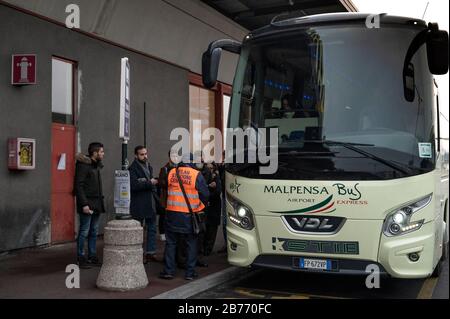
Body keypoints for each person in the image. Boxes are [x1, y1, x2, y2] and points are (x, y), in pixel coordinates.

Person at [159, 153, 209, 281]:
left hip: (171, 213)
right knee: (191, 244)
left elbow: (164, 187)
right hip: (189, 216)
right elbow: (205, 193)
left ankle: (169, 271)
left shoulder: (171, 172)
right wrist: (199, 207)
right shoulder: (196, 174)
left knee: (171, 243)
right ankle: (189, 273)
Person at [74, 142, 106, 269]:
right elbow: (78, 186)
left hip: (96, 203)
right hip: (87, 203)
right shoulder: (83, 165)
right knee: (84, 231)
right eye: (101, 152)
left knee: (94, 231)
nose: (103, 154)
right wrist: (84, 204)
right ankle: (80, 257)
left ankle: (92, 256)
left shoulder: (96, 165)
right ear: (95, 153)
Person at [129, 146, 160, 264]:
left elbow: (145, 183)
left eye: (146, 153)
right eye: (142, 154)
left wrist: (151, 182)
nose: (145, 156)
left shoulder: (149, 166)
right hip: (140, 204)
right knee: (139, 230)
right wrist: (149, 183)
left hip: (150, 203)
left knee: (152, 229)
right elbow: (134, 185)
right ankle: (139, 254)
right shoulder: (132, 168)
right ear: (136, 156)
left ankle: (150, 253)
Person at [203, 163, 222, 256]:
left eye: (211, 168)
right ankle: (203, 249)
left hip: (214, 208)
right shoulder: (203, 177)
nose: (209, 170)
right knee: (205, 230)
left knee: (212, 230)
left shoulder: (216, 178)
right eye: (208, 168)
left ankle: (208, 250)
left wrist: (208, 195)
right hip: (206, 209)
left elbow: (218, 192)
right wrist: (209, 187)